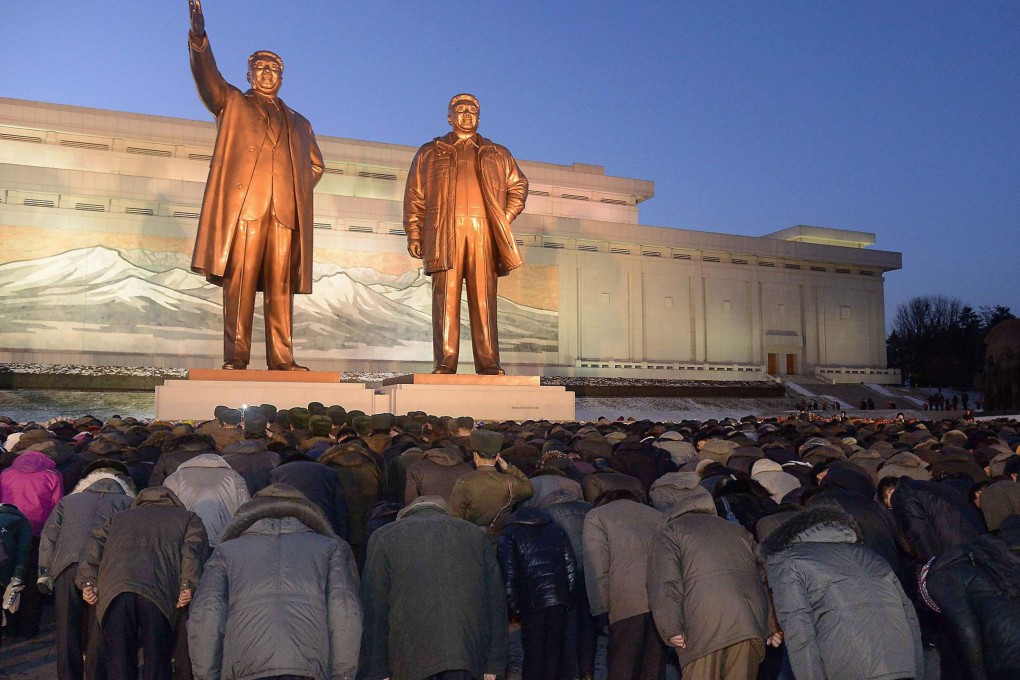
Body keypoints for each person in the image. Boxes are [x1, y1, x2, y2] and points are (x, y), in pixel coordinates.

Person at [187, 0, 324, 371]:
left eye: (273, 69)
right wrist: (199, 39)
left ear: (282, 77)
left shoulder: (299, 122)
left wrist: (294, 188)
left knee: (281, 290)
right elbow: (207, 78)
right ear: (248, 75)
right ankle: (237, 357)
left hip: (285, 214)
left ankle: (282, 359)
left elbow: (315, 165)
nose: (267, 73)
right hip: (246, 208)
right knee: (241, 284)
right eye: (259, 68)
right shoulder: (232, 102)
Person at [403, 93, 529, 375]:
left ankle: (489, 362)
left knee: (484, 299)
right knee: (445, 299)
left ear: (479, 117)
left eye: (472, 110)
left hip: (483, 232)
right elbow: (415, 195)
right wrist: (414, 233)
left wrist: (503, 218)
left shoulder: (498, 153)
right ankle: (446, 361)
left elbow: (518, 187)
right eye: (460, 109)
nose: (467, 114)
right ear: (449, 117)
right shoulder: (430, 152)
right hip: (444, 233)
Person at [188, 484, 362, 680]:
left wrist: (206, 675)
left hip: (245, 663)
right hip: (310, 666)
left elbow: (207, 613)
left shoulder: (226, 551)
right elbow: (345, 612)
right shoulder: (329, 548)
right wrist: (343, 674)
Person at [760, 506, 923, 680]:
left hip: (846, 667)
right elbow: (909, 615)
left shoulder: (787, 560)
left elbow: (799, 633)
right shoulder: (872, 556)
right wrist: (918, 671)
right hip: (900, 663)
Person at [360, 496, 508, 680]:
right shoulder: (474, 534)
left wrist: (377, 671)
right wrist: (495, 663)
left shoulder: (383, 538)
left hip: (411, 659)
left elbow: (375, 609)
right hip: (466, 655)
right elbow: (496, 601)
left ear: (405, 515)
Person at [76, 487, 208, 680]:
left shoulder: (118, 518)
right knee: (156, 657)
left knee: (119, 658)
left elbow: (93, 548)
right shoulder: (188, 518)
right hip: (158, 590)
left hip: (115, 589)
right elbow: (193, 553)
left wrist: (88, 582)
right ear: (174, 501)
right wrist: (188, 584)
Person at [647, 484, 775, 680]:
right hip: (748, 621)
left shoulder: (671, 531)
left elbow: (666, 583)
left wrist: (671, 627)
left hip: (702, 622)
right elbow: (764, 578)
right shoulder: (738, 531)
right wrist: (771, 626)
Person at [38, 461, 136, 680]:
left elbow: (49, 535)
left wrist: (45, 571)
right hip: (105, 568)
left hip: (67, 566)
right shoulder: (129, 503)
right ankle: (95, 674)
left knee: (66, 627)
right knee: (99, 626)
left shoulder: (68, 501)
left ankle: (67, 675)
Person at [582, 489, 665, 680]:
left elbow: (596, 564)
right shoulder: (658, 515)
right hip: (660, 600)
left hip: (625, 600)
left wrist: (600, 609)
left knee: (623, 666)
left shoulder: (597, 516)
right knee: (653, 666)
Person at [497, 506, 578, 680]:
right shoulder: (556, 529)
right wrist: (568, 597)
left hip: (531, 599)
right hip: (558, 597)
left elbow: (508, 573)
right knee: (555, 651)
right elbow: (570, 564)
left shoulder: (510, 533)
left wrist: (513, 607)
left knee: (533, 652)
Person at [449, 430, 533, 530]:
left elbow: (455, 519)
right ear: (497, 457)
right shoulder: (509, 482)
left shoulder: (464, 482)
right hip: (500, 539)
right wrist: (508, 468)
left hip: (473, 539)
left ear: (475, 456)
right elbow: (529, 489)